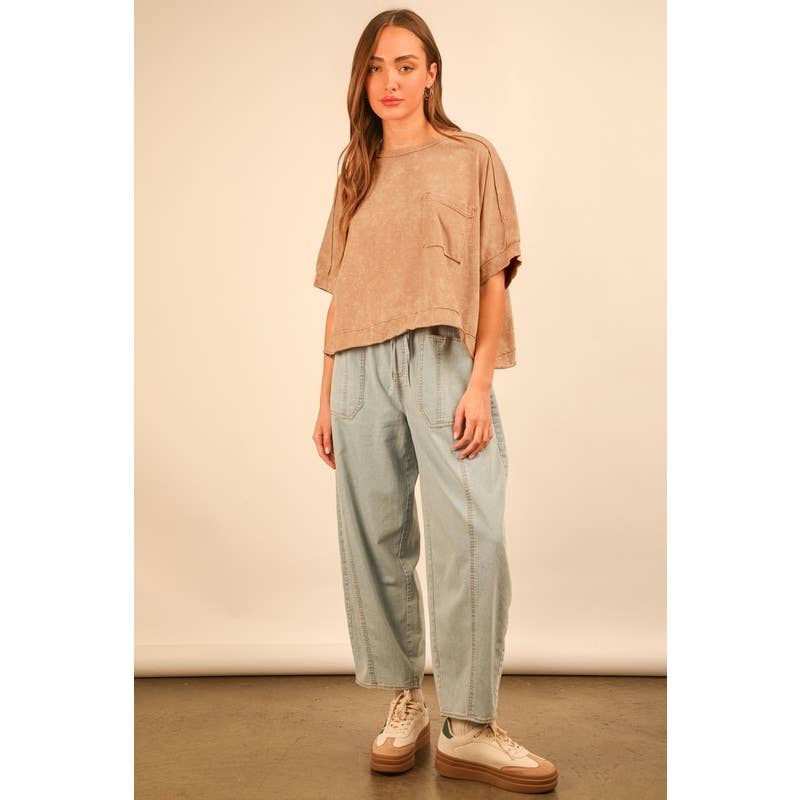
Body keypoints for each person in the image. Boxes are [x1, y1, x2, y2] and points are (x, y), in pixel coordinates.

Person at [311, 9, 558, 795]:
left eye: (405, 65)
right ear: (364, 80)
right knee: (376, 540)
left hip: (444, 360)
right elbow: (340, 293)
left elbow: (493, 275)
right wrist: (325, 397)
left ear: (432, 74)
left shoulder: (470, 158)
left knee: (472, 534)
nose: (390, 81)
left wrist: (480, 381)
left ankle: (470, 725)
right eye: (376, 67)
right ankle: (406, 700)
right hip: (360, 369)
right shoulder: (355, 168)